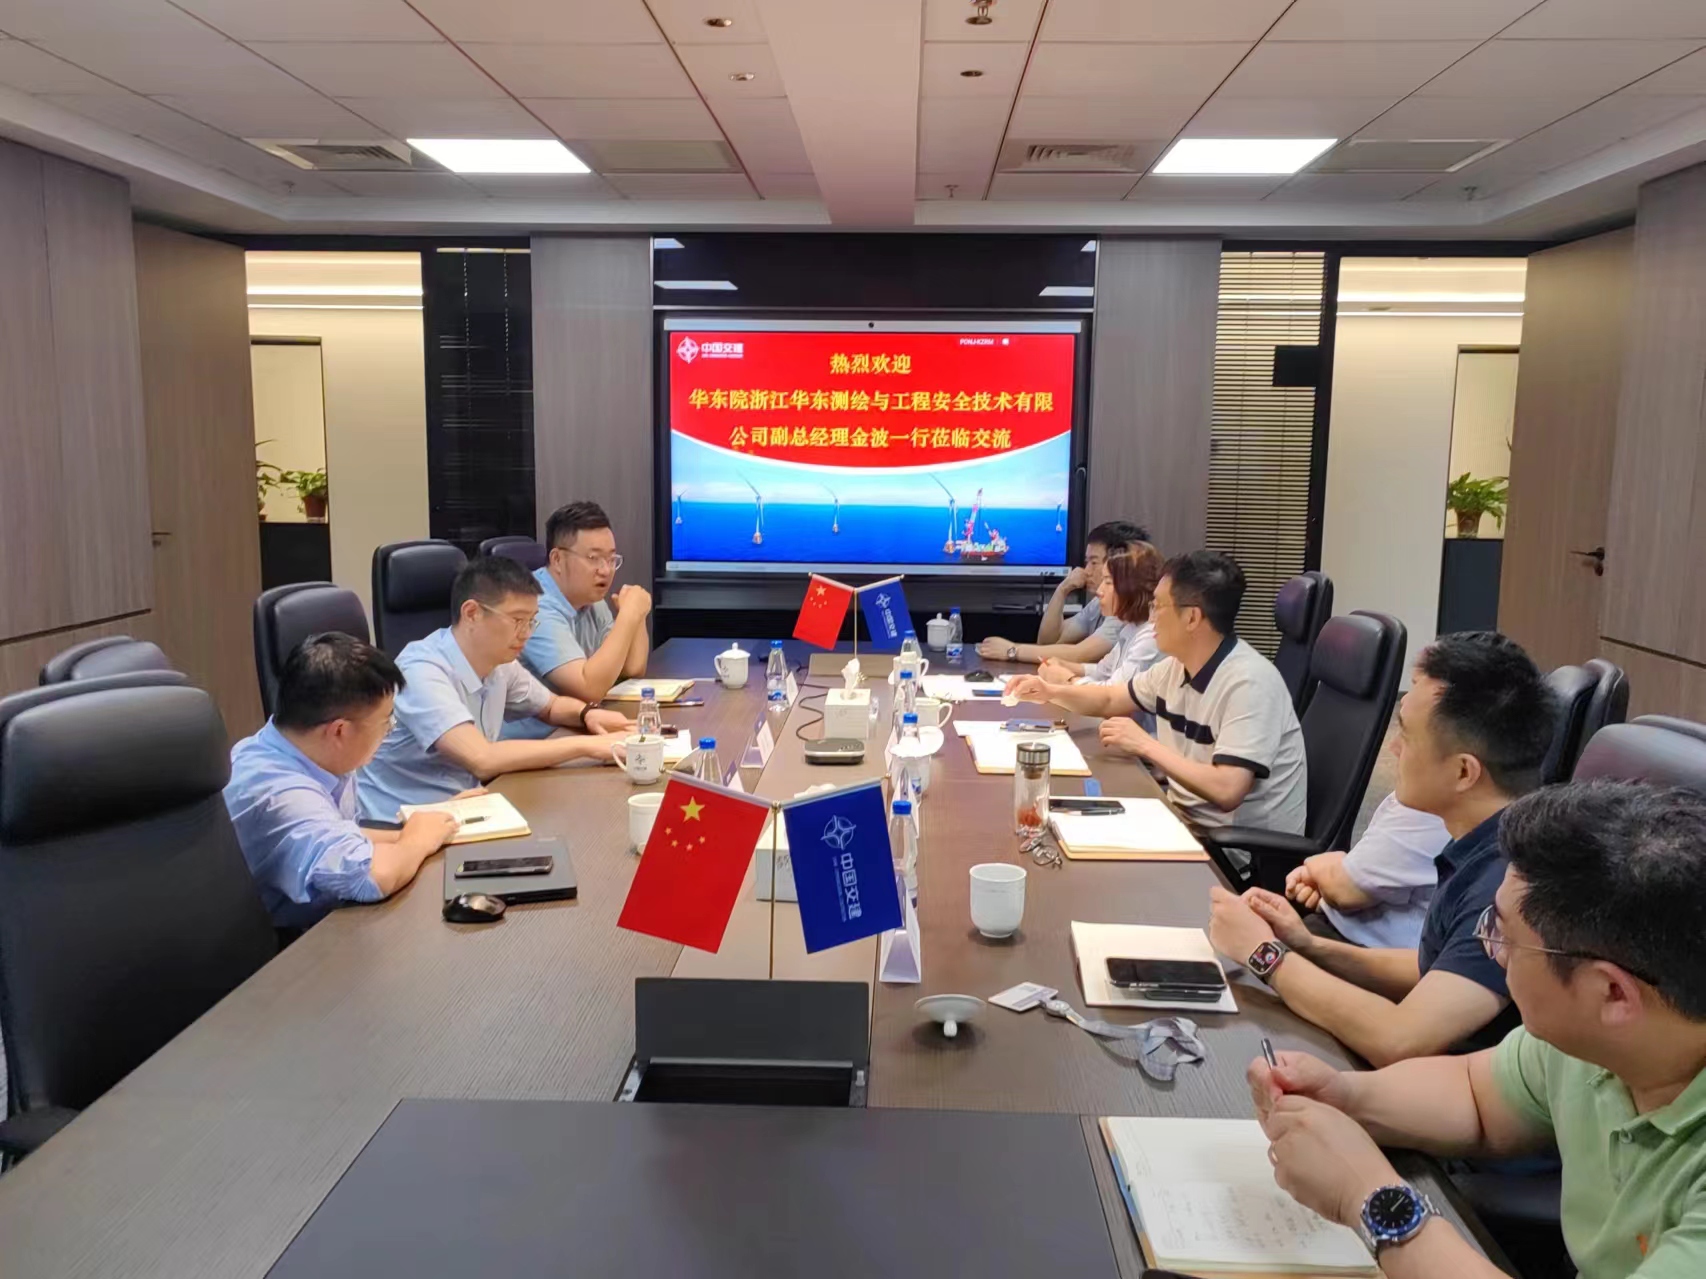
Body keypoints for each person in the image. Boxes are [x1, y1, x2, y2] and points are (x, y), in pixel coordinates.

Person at [1250, 781, 1706, 1279]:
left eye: (1504, 934)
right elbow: (1476, 1096)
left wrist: (1370, 1196)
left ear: (1612, 993)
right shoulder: (1598, 1040)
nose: (1489, 945)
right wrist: (1346, 1095)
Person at [1208, 631, 1555, 1066]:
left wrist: (1264, 954)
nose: (1393, 747)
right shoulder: (1480, 840)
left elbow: (1399, 1039)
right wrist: (1306, 945)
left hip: (1435, 1086)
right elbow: (1435, 969)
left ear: (1464, 773)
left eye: (1406, 735)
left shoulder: (1507, 882)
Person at [1004, 550, 1307, 836]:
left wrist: (1144, 745)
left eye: (1158, 606)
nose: (1151, 618)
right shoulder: (1176, 667)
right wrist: (1049, 691)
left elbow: (1227, 789)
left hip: (1229, 850)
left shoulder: (1249, 682)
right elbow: (1110, 699)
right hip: (1181, 819)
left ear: (1192, 618)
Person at [358, 555, 634, 819]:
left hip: (463, 807)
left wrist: (588, 714)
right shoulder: (421, 670)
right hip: (399, 825)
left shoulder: (500, 663)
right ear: (472, 613)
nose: (526, 633)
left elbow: (550, 706)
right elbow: (482, 758)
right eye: (517, 620)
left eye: (531, 621)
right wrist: (590, 746)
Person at [225, 633, 461, 929]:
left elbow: (340, 832)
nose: (390, 729)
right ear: (339, 731)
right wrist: (417, 840)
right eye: (387, 721)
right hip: (288, 945)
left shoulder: (310, 751)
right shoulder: (280, 792)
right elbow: (370, 879)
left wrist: (427, 826)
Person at [516, 500, 650, 709]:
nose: (605, 570)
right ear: (557, 559)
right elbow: (589, 689)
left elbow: (631, 668)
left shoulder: (590, 597)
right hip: (541, 728)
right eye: (593, 558)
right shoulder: (534, 607)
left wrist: (637, 617)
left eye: (611, 559)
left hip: (579, 721)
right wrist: (629, 615)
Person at [1285, 792, 1451, 949]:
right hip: (1358, 934)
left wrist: (1317, 862)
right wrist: (1334, 877)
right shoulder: (1432, 801)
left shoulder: (1429, 809)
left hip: (1363, 946)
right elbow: (1359, 878)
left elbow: (1344, 892)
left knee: (1274, 948)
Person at [978, 520, 1150, 667]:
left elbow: (1079, 654)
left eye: (1094, 563)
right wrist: (1062, 589)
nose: (1086, 571)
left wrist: (1012, 651)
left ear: (1120, 563)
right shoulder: (1099, 603)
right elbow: (1047, 641)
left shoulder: (1128, 610)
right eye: (1087, 562)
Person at [1036, 541, 1164, 689]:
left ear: (1132, 587)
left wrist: (1068, 679)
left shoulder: (1150, 636)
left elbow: (1113, 693)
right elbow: (1102, 671)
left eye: (1108, 582)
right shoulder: (1131, 628)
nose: (1099, 591)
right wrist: (1064, 665)